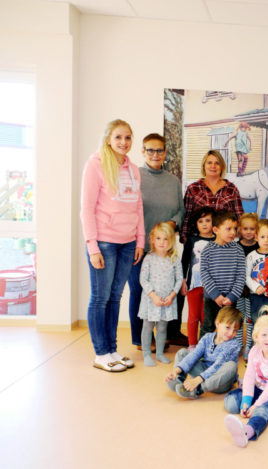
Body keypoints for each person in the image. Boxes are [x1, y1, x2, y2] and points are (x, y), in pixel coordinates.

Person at [81, 119, 144, 372]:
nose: (123, 142)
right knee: (100, 297)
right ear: (108, 138)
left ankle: (112, 349)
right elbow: (86, 208)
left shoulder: (134, 169)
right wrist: (92, 246)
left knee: (115, 297)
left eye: (128, 137)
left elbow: (138, 206)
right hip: (105, 242)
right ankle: (101, 353)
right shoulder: (95, 165)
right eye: (118, 137)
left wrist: (140, 240)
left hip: (128, 243)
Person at [127, 133, 186, 349]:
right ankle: (140, 337)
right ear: (142, 152)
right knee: (139, 289)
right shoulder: (134, 176)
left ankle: (168, 333)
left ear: (165, 153)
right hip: (139, 247)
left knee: (170, 288)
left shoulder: (173, 181)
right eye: (150, 150)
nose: (155, 154)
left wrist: (173, 222)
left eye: (159, 150)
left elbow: (181, 210)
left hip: (165, 249)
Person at [223, 314, 268, 448]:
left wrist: (256, 406)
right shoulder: (254, 351)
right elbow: (249, 377)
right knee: (231, 403)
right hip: (258, 388)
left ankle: (247, 431)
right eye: (264, 335)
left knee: (263, 411)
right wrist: (245, 403)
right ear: (256, 337)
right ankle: (249, 406)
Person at [165, 305, 242, 399]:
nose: (231, 333)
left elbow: (217, 365)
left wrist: (197, 380)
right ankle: (179, 381)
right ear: (217, 323)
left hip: (220, 382)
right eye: (228, 327)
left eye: (235, 330)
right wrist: (176, 371)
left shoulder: (234, 344)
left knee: (231, 366)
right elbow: (194, 354)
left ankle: (198, 390)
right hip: (204, 373)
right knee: (183, 352)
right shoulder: (207, 337)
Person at [138, 223, 183, 366]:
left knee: (162, 327)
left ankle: (159, 353)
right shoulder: (149, 258)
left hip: (167, 300)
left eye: (165, 239)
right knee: (148, 326)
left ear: (171, 241)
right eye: (158, 238)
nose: (162, 242)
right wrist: (153, 296)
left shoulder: (174, 259)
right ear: (152, 239)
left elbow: (179, 279)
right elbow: (143, 279)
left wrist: (172, 295)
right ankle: (146, 354)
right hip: (151, 300)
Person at [180, 150, 243, 244]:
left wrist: (241, 236)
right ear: (203, 166)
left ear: (221, 167)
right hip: (198, 241)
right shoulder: (193, 188)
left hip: (224, 242)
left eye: (217, 163)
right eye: (209, 162)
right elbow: (187, 217)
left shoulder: (231, 189)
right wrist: (184, 237)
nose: (213, 166)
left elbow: (239, 217)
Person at [199, 210, 246, 337]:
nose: (233, 232)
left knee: (230, 327)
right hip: (212, 298)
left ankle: (227, 352)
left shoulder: (238, 250)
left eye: (235, 229)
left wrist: (231, 297)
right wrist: (216, 295)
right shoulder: (208, 250)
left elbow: (241, 276)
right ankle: (202, 355)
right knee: (208, 326)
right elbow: (204, 273)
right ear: (216, 229)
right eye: (228, 229)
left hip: (230, 299)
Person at [180, 207, 215, 348]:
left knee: (206, 316)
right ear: (196, 224)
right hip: (193, 284)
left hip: (211, 286)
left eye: (208, 220)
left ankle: (204, 345)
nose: (205, 224)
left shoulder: (217, 240)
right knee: (193, 315)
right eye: (201, 221)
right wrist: (183, 281)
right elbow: (184, 261)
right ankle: (192, 345)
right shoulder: (191, 240)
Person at [237, 212, 259, 358]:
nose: (249, 232)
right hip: (238, 290)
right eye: (245, 229)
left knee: (251, 319)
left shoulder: (260, 247)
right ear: (239, 229)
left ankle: (249, 347)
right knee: (239, 318)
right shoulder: (235, 247)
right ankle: (238, 345)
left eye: (252, 229)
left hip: (254, 291)